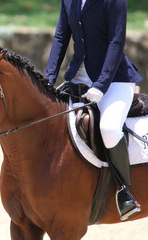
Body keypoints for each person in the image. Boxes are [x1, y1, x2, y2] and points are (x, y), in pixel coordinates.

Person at [45, 0, 142, 221]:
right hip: (78, 77)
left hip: (114, 79)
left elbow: (116, 42)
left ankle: (124, 192)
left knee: (108, 128)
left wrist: (100, 85)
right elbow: (61, 36)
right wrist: (49, 78)